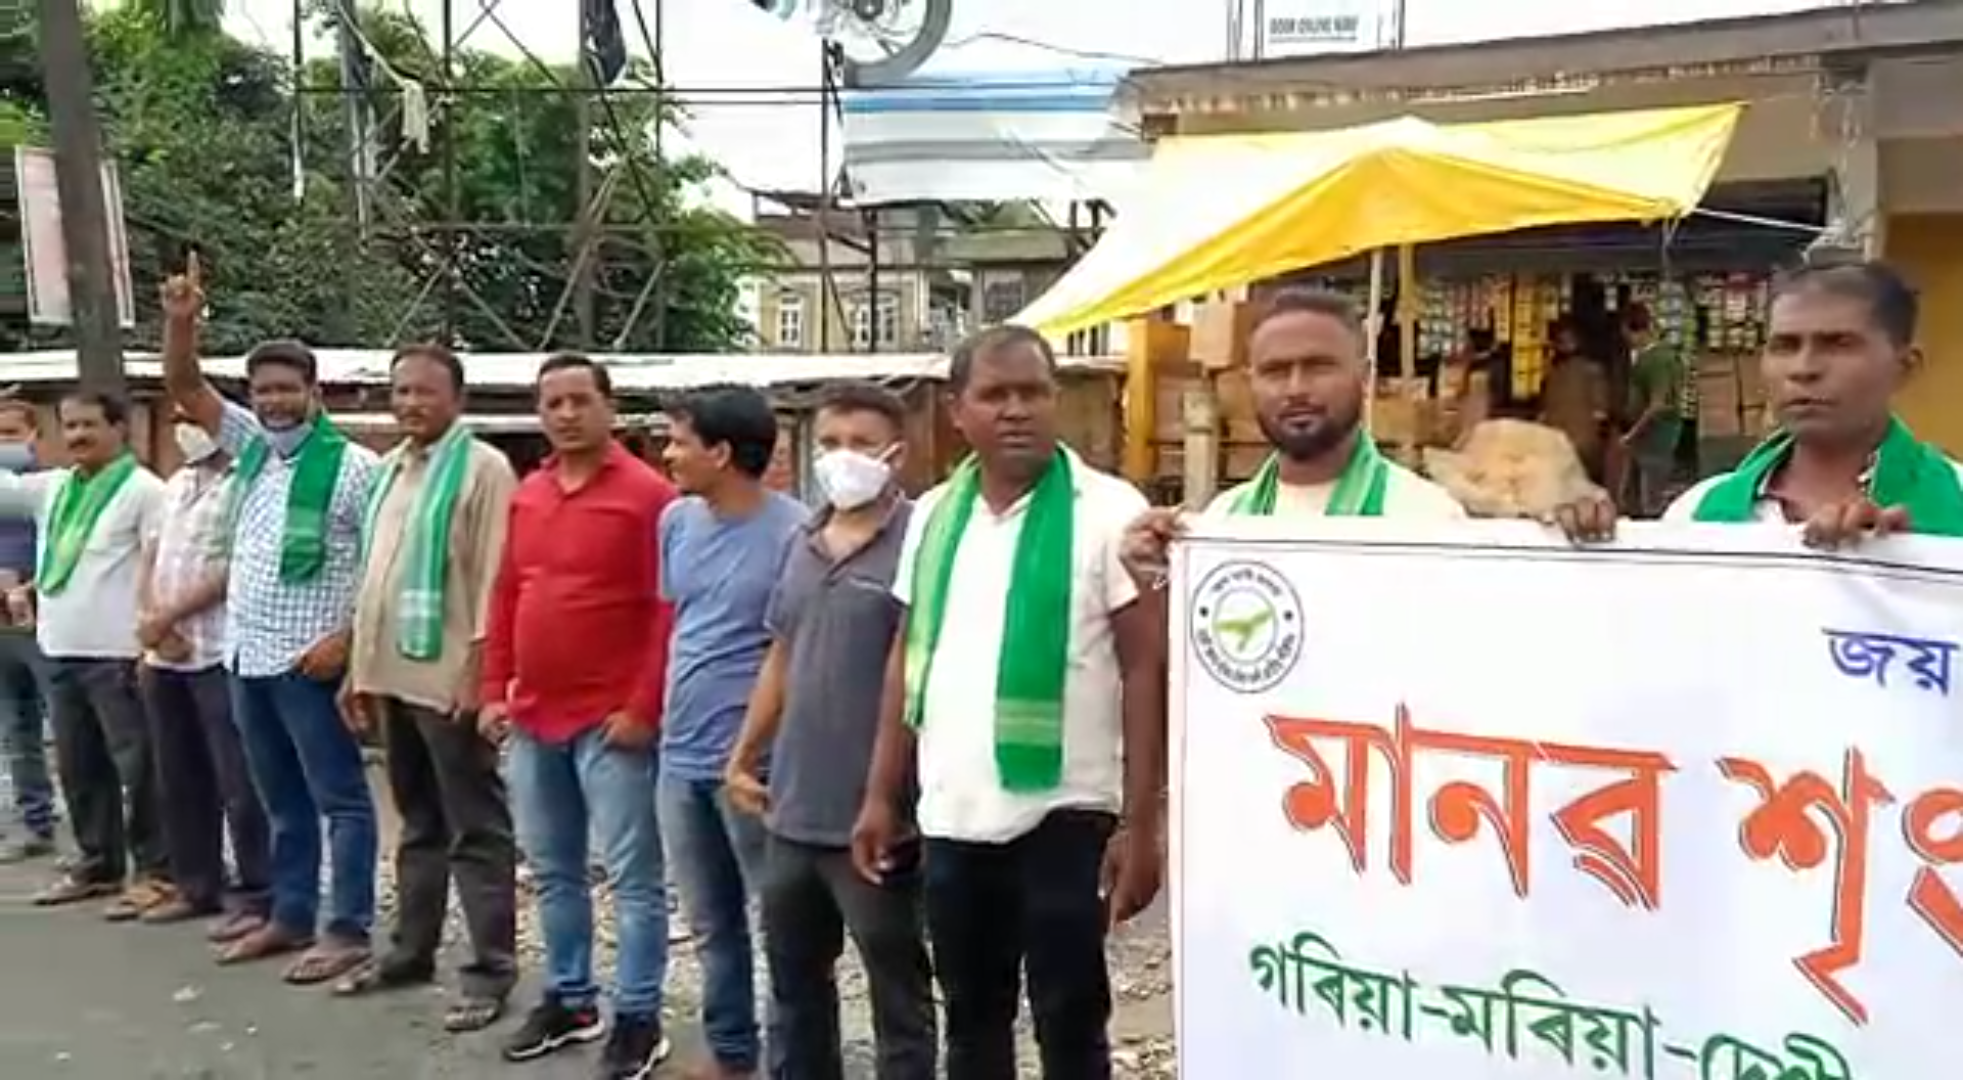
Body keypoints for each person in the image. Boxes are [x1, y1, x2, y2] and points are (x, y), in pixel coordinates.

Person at [853, 325, 1167, 1080]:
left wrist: (1140, 822)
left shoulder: (1107, 509)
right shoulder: (932, 514)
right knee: (972, 1017)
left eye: (1033, 392)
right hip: (953, 814)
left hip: (1067, 811)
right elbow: (907, 653)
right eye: (995, 395)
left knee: (1069, 1018)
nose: (1016, 409)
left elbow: (1144, 664)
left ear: (1056, 401)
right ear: (958, 411)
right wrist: (878, 794)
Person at [158, 257, 382, 985]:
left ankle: (347, 930)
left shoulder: (353, 467)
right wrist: (182, 323)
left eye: (289, 389)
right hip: (246, 656)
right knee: (280, 801)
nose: (276, 401)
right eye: (264, 391)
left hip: (308, 664)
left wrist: (346, 640)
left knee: (340, 800)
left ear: (315, 394)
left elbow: (383, 565)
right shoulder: (253, 447)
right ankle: (291, 916)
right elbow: (185, 386)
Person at [725, 382, 936, 1080]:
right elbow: (781, 654)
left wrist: (890, 799)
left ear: (896, 455)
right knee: (793, 985)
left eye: (862, 445)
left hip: (875, 820)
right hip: (792, 809)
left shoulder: (920, 542)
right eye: (832, 443)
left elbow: (916, 673)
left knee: (897, 991)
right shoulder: (802, 539)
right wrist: (744, 754)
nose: (843, 458)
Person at [484, 353, 677, 1079]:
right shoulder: (529, 493)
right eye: (551, 403)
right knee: (554, 870)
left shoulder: (648, 497)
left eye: (577, 401)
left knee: (633, 878)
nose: (564, 415)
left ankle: (637, 1016)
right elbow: (508, 593)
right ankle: (570, 998)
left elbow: (668, 612)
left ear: (609, 407)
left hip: (611, 723)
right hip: (534, 717)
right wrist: (494, 687)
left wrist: (641, 707)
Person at [334, 345, 520, 1033]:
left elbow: (494, 579)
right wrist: (358, 669)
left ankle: (490, 971)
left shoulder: (483, 469)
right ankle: (410, 953)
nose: (410, 403)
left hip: (447, 683)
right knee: (417, 824)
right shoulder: (389, 471)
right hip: (391, 676)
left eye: (424, 392)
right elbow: (373, 580)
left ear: (457, 399)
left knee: (476, 827)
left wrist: (478, 676)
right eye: (400, 391)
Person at [1554, 259, 1961, 547]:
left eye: (1839, 344)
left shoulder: (1953, 497)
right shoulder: (1698, 512)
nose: (1804, 368)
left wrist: (1912, 571)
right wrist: (1581, 541)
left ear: (1904, 367)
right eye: (1785, 346)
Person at [658, 382, 808, 1080]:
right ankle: (730, 1055)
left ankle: (788, 1061)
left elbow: (798, 653)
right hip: (676, 755)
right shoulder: (676, 523)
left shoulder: (797, 534)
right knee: (711, 921)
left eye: (679, 441)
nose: (668, 453)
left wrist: (753, 751)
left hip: (755, 765)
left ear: (720, 452)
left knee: (778, 922)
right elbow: (681, 625)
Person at [0, 391, 168, 914]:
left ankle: (158, 872)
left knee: (141, 768)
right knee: (79, 766)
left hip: (119, 653)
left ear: (120, 429)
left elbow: (160, 568)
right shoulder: (56, 488)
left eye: (89, 425)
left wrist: (151, 643)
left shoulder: (145, 491)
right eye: (69, 427)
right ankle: (99, 865)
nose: (76, 436)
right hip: (62, 649)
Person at [134, 419, 274, 937]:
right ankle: (197, 886)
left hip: (217, 649)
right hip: (164, 655)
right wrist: (150, 620)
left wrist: (168, 616)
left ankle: (258, 894)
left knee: (238, 781)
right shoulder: (176, 483)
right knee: (179, 777)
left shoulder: (247, 481)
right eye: (177, 422)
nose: (184, 430)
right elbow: (151, 554)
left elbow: (234, 566)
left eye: (195, 420)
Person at [0, 399, 56, 863]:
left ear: (35, 435)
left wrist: (28, 584)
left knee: (75, 731)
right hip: (2, 626)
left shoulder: (50, 490)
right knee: (17, 728)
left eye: (12, 433)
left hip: (44, 622)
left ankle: (100, 839)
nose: (5, 443)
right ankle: (33, 823)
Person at [1621, 303, 1686, 516]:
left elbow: (1657, 405)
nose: (1627, 341)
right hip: (1652, 438)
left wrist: (1632, 434)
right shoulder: (1663, 356)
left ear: (1635, 331)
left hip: (1655, 437)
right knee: (1639, 495)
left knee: (1651, 500)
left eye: (1627, 334)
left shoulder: (1656, 360)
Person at [1539, 317, 1613, 483]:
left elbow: (1545, 411)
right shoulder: (1591, 370)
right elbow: (1601, 412)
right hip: (1580, 443)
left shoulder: (1552, 372)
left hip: (1559, 443)